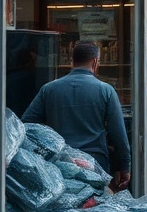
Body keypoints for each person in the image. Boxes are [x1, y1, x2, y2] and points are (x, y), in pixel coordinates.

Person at [23, 40, 131, 189]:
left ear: (72, 61)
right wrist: (125, 166)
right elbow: (118, 134)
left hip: (60, 163)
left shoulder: (48, 89)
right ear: (95, 62)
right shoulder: (106, 90)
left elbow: (27, 125)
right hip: (95, 163)